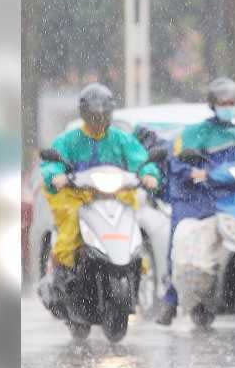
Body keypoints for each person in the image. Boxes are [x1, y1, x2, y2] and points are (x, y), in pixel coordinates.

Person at [155, 77, 235, 325]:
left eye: (232, 102)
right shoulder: (194, 134)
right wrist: (192, 174)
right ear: (213, 104)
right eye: (223, 102)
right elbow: (177, 162)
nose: (229, 106)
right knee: (183, 241)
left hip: (233, 198)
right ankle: (172, 299)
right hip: (197, 198)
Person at [40, 83, 161, 289]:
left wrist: (148, 175)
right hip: (75, 196)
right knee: (70, 224)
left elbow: (140, 160)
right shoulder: (68, 140)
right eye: (94, 116)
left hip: (115, 196)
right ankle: (64, 272)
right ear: (85, 114)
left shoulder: (121, 139)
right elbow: (52, 165)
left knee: (133, 225)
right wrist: (57, 176)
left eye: (103, 115)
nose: (99, 121)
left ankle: (136, 266)